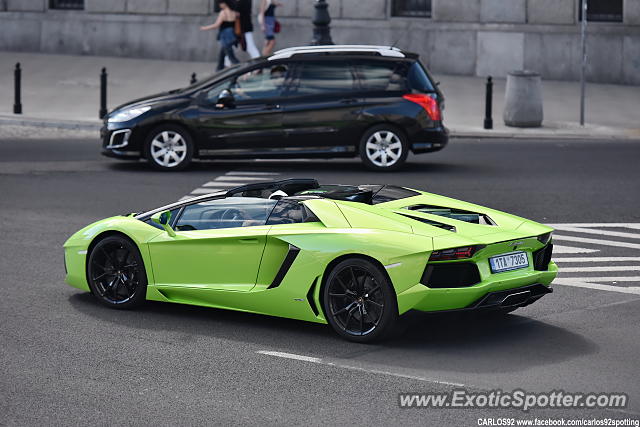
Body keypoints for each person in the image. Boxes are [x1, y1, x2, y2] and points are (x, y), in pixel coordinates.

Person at [200, 1, 239, 71]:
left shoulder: (223, 13)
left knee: (231, 56)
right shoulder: (234, 13)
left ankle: (242, 69)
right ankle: (218, 69)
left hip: (225, 35)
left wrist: (205, 28)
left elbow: (216, 25)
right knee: (222, 54)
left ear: (225, 3)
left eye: (221, 3)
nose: (220, 5)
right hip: (232, 35)